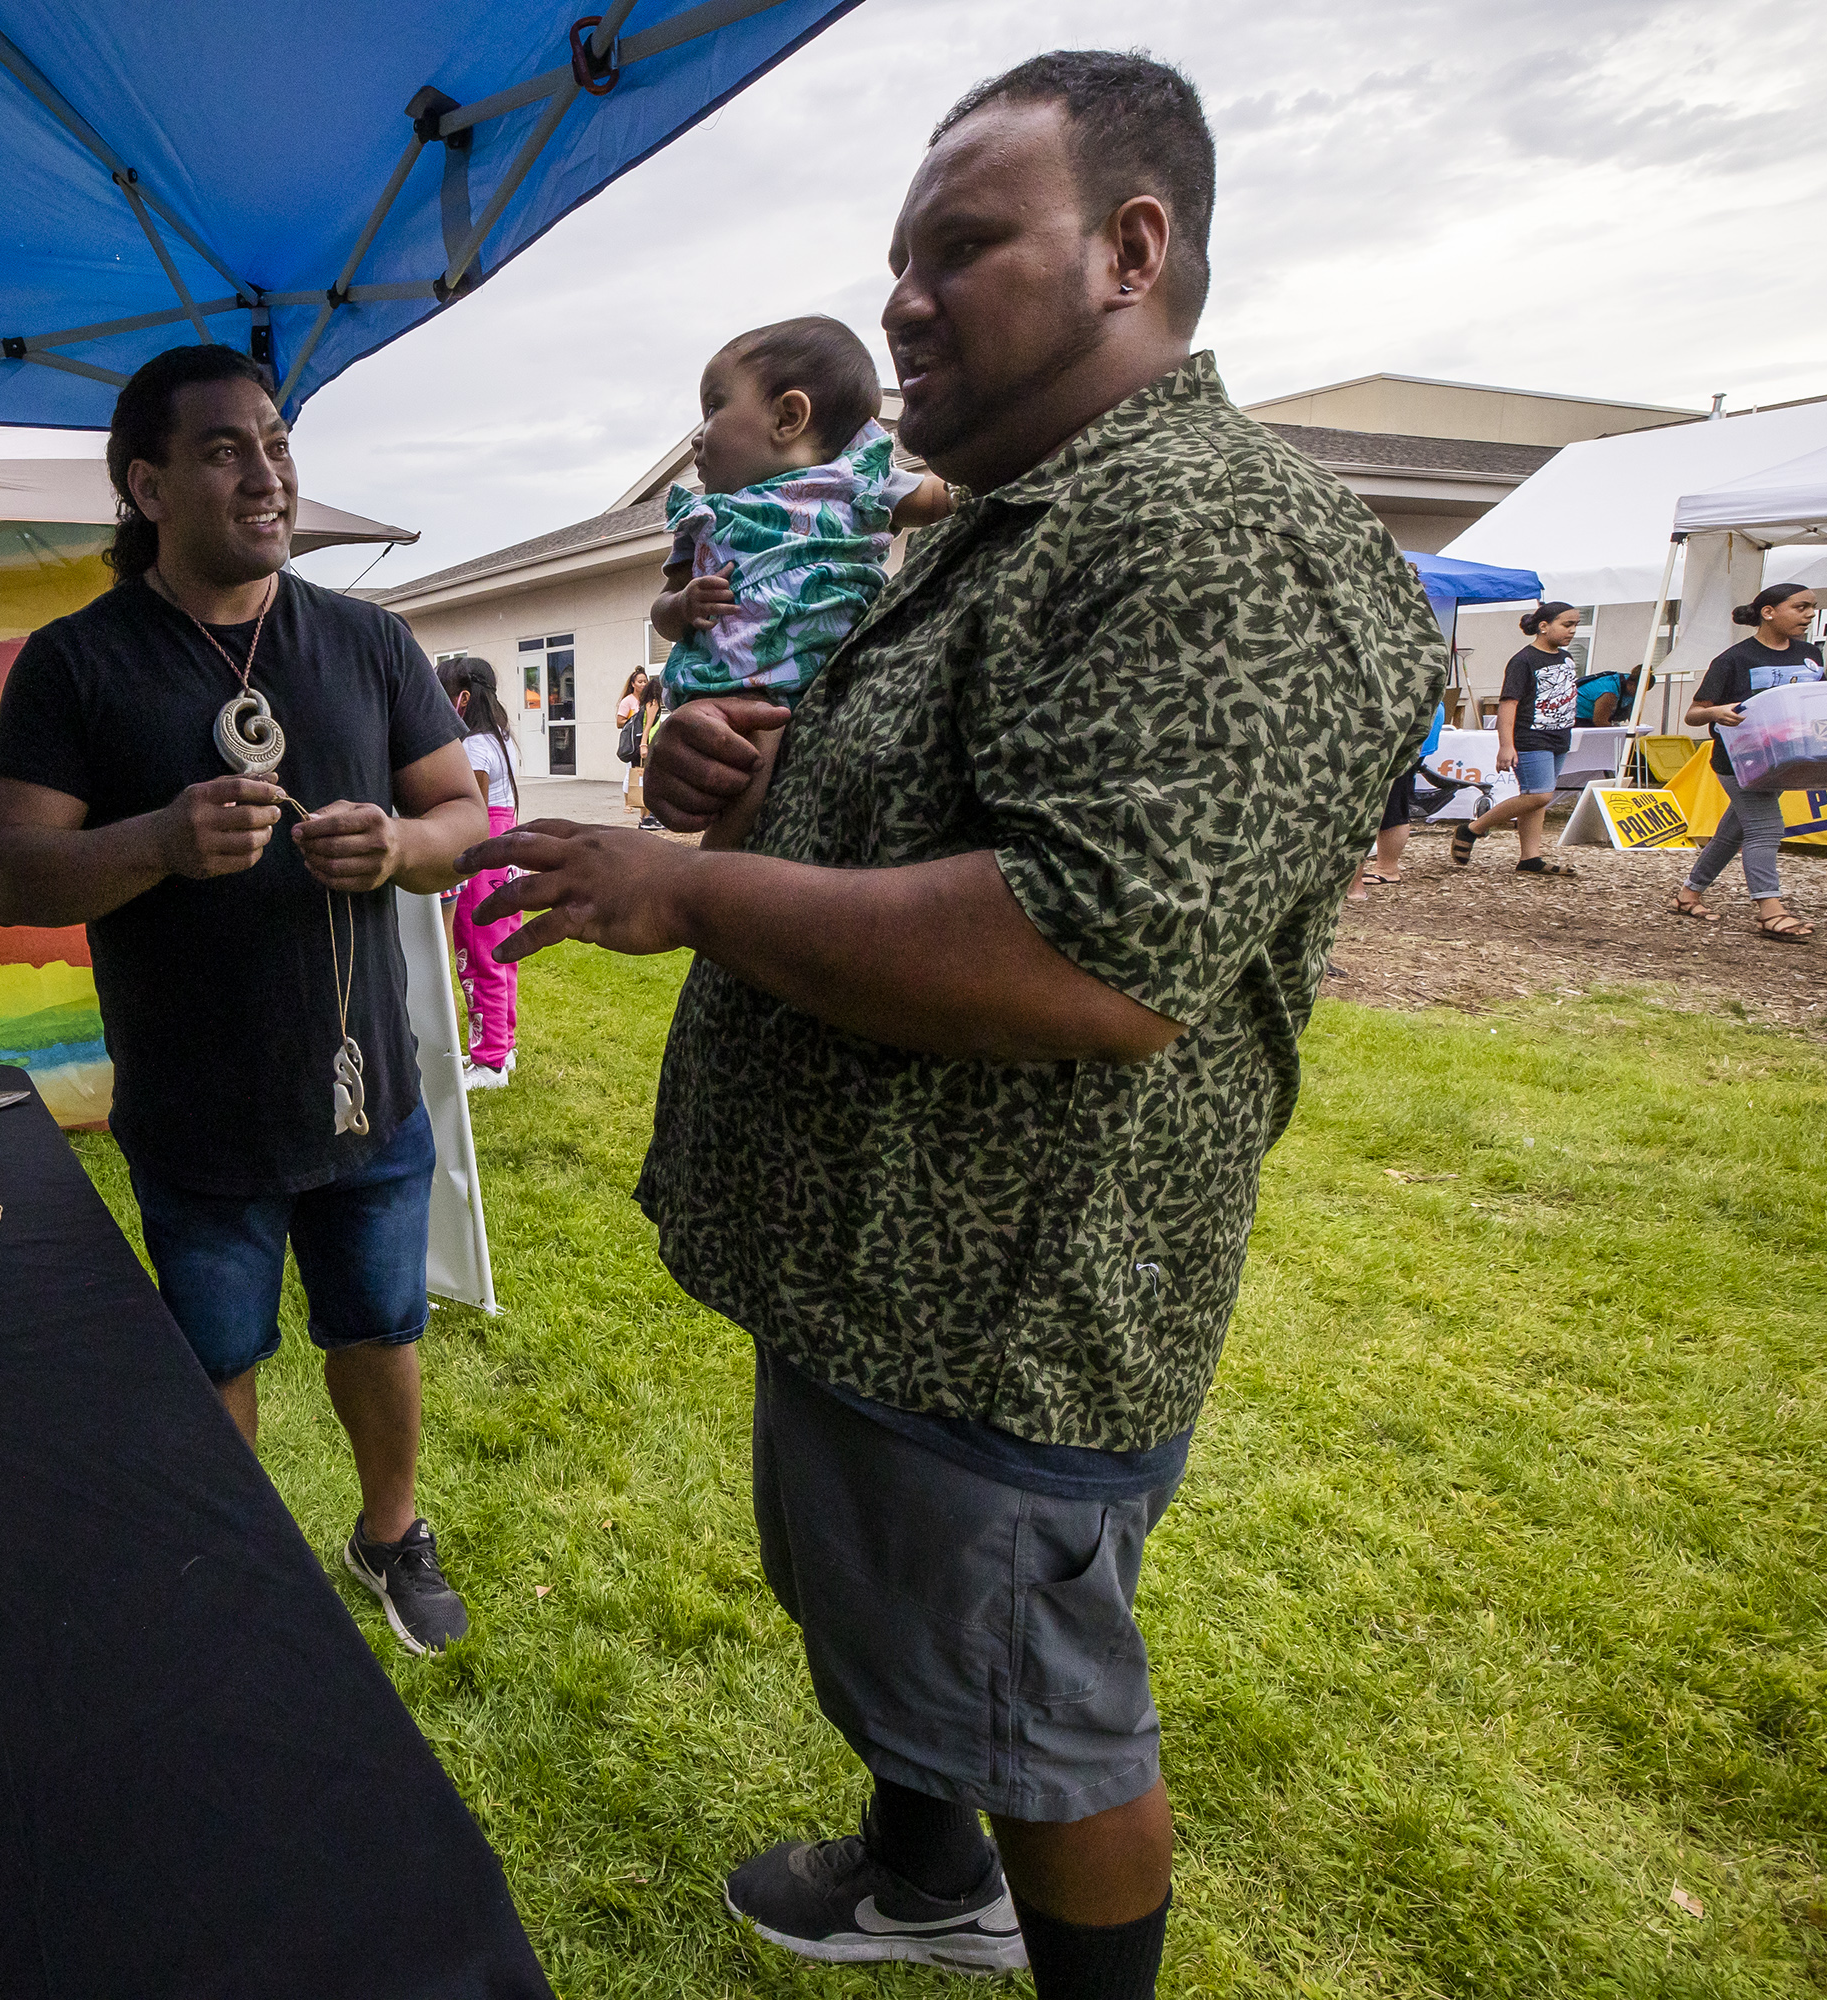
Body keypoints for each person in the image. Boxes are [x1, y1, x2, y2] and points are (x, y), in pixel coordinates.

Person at [460, 51, 1437, 1997]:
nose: (901, 298)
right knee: (928, 1655)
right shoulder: (1002, 528)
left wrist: (687, 889)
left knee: (1046, 1726)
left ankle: (1014, 1918)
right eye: (896, 257)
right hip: (888, 1280)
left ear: (1131, 251)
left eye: (962, 247)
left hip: (1005, 1311)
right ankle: (920, 1881)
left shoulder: (1210, 536)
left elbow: (1089, 953)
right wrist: (752, 782)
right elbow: (933, 817)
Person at [0, 344, 488, 1654]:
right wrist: (157, 842)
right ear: (146, 485)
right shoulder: (76, 664)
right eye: (224, 449)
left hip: (363, 1090)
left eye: (275, 442)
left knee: (379, 1328)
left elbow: (464, 816)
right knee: (216, 1360)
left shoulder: (366, 641)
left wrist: (403, 849)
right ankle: (242, 1575)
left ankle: (389, 1534)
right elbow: (12, 875)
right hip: (198, 1109)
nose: (268, 473)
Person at [648, 316, 955, 849]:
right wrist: (682, 605)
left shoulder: (855, 480)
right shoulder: (704, 519)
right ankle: (715, 879)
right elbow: (663, 611)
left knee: (757, 780)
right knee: (737, 769)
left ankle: (715, 880)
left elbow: (943, 499)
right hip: (734, 684)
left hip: (833, 671)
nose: (698, 435)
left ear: (788, 416)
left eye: (714, 407)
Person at [1672, 583, 1825, 941]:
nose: (1810, 614)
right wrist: (1717, 712)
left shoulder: (1811, 654)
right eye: (1800, 607)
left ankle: (1688, 895)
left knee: (1734, 831)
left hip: (1787, 761)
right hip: (1739, 762)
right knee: (1766, 828)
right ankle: (1770, 910)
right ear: (1768, 612)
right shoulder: (1733, 660)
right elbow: (1694, 715)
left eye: (1812, 607)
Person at [439, 653, 524, 1088]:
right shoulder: (501, 740)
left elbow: (471, 813)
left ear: (462, 699)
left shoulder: (471, 748)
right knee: (503, 957)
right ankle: (504, 1048)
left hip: (482, 858)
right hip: (506, 854)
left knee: (478, 960)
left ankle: (488, 1062)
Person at [1451, 601, 1582, 876]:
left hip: (1558, 735)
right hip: (1531, 737)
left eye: (1575, 625)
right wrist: (1506, 745)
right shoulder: (1523, 661)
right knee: (1539, 794)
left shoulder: (1566, 658)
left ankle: (1530, 857)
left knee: (1537, 799)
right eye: (1566, 625)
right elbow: (1508, 704)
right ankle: (1473, 828)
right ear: (1544, 627)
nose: (1572, 631)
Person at [1351, 698, 1449, 897]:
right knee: (1392, 798)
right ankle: (1379, 871)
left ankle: (1373, 875)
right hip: (1412, 720)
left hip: (1400, 725)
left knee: (1380, 802)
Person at [616, 664, 652, 820]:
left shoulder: (649, 701)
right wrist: (633, 721)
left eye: (645, 681)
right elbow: (619, 722)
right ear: (633, 684)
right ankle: (628, 802)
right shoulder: (628, 701)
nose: (643, 685)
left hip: (646, 740)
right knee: (630, 773)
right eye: (640, 682)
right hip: (633, 742)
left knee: (644, 774)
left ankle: (643, 808)